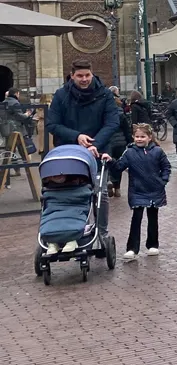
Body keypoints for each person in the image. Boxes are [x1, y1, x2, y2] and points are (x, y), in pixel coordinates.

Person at [45, 60, 120, 239]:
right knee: (72, 193)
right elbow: (52, 124)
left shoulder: (104, 95)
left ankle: (102, 233)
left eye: (87, 75)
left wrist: (96, 144)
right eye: (80, 76)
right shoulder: (61, 95)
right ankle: (75, 230)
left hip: (98, 150)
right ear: (72, 76)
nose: (84, 79)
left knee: (100, 193)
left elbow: (112, 123)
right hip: (69, 152)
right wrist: (77, 136)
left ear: (92, 74)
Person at [104, 123, 171, 260]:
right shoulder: (129, 152)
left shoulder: (157, 151)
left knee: (153, 218)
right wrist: (111, 161)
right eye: (137, 136)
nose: (139, 139)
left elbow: (166, 167)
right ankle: (132, 248)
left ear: (149, 137)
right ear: (133, 137)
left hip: (154, 189)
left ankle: (153, 244)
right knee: (136, 218)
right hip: (137, 190)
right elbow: (118, 167)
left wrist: (162, 181)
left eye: (142, 136)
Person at [105, 90, 133, 198]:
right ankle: (117, 188)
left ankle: (109, 180)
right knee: (119, 165)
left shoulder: (102, 114)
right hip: (120, 143)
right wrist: (129, 142)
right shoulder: (121, 114)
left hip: (107, 142)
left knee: (108, 163)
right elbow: (127, 130)